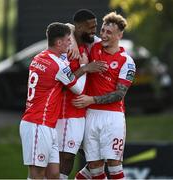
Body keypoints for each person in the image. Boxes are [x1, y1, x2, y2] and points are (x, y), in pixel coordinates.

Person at [19, 22, 91, 179]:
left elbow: (67, 29)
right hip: (38, 124)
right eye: (68, 40)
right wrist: (84, 67)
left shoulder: (39, 57)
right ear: (59, 43)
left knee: (53, 174)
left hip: (46, 125)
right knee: (37, 174)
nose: (70, 42)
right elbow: (78, 89)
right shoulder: (58, 65)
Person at [73, 11, 136, 179]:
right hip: (91, 114)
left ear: (119, 35)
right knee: (94, 166)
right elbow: (71, 28)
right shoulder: (94, 45)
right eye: (103, 31)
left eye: (109, 32)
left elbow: (119, 94)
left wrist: (91, 99)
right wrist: (73, 43)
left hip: (112, 117)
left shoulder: (126, 61)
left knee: (114, 165)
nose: (104, 35)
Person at [55, 9, 107, 179]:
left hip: (85, 112)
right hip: (67, 112)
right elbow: (62, 83)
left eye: (95, 26)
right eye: (89, 27)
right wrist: (85, 68)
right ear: (78, 27)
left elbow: (68, 26)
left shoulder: (88, 43)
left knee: (98, 154)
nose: (94, 30)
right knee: (67, 156)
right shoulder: (67, 49)